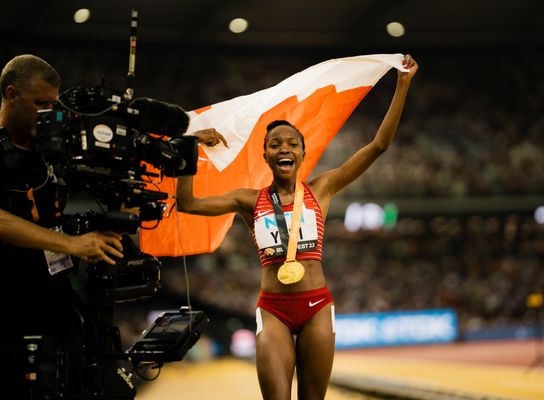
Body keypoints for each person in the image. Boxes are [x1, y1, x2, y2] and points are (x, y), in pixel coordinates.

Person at [177, 54, 418, 399]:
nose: (284, 148)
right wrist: (189, 147)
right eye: (275, 144)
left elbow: (378, 145)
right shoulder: (248, 200)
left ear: (303, 154)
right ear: (266, 157)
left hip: (317, 307)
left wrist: (402, 84)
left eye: (292, 144)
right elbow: (188, 204)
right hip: (273, 309)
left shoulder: (323, 189)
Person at [0, 54, 125, 397]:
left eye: (53, 104)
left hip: (56, 297)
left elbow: (118, 177)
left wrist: (181, 142)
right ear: (11, 95)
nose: (48, 113)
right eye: (40, 103)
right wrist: (70, 244)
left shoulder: (56, 150)